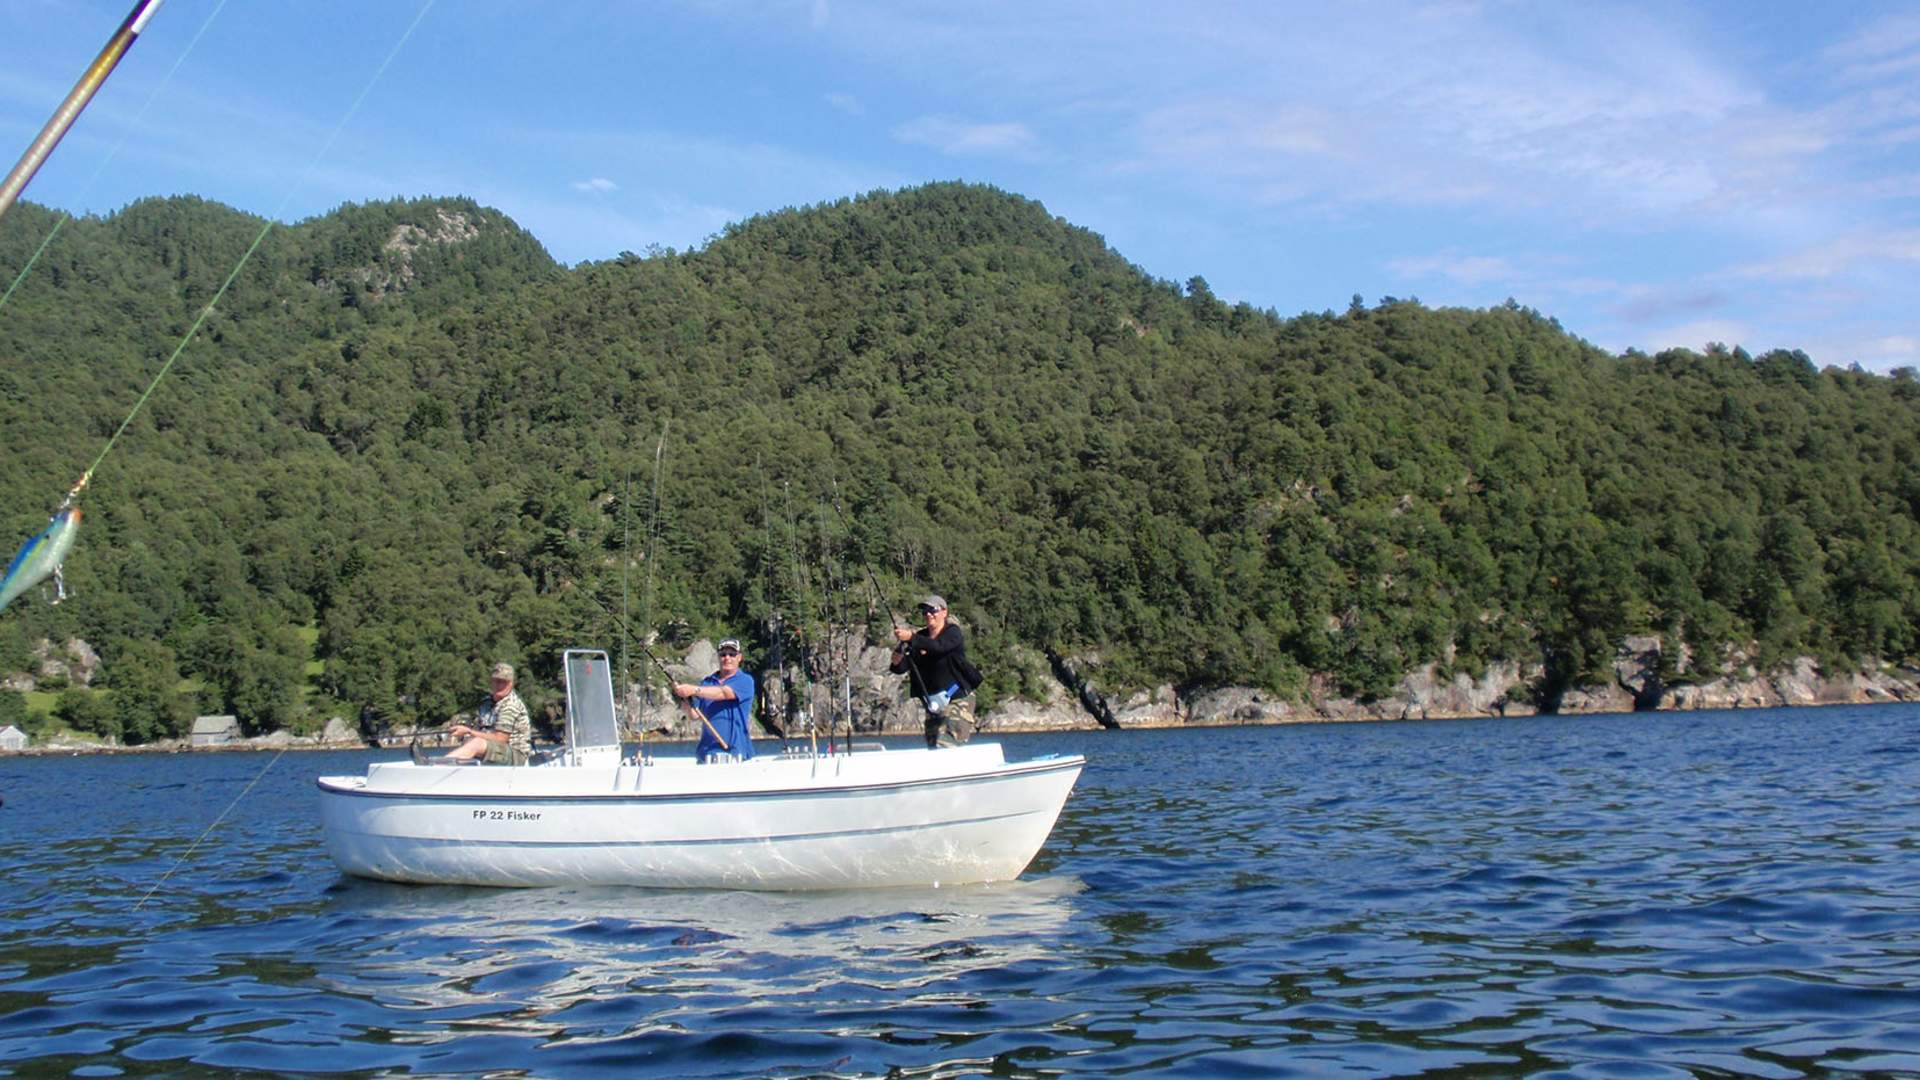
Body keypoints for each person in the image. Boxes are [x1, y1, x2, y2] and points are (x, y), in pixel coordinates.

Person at [891, 594, 982, 749]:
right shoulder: (920, 637)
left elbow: (939, 646)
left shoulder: (952, 632)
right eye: (925, 611)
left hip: (957, 698)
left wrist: (912, 637)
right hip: (933, 702)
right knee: (933, 746)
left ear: (944, 612)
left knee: (947, 744)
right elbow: (900, 667)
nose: (928, 614)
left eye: (933, 610)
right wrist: (899, 654)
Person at [431, 662, 531, 765]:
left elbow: (500, 739)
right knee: (469, 743)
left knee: (477, 743)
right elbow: (479, 728)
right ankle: (445, 766)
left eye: (503, 682)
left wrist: (468, 731)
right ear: (491, 682)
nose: (498, 685)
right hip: (494, 751)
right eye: (496, 681)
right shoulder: (486, 703)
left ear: (511, 684)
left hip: (516, 756)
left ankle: (439, 766)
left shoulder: (511, 705)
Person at [675, 638, 755, 763]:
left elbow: (724, 693)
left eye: (732, 654)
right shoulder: (706, 682)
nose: (727, 658)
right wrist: (684, 697)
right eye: (723, 654)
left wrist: (694, 690)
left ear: (739, 657)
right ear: (718, 657)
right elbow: (694, 714)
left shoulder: (745, 680)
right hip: (707, 754)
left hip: (736, 753)